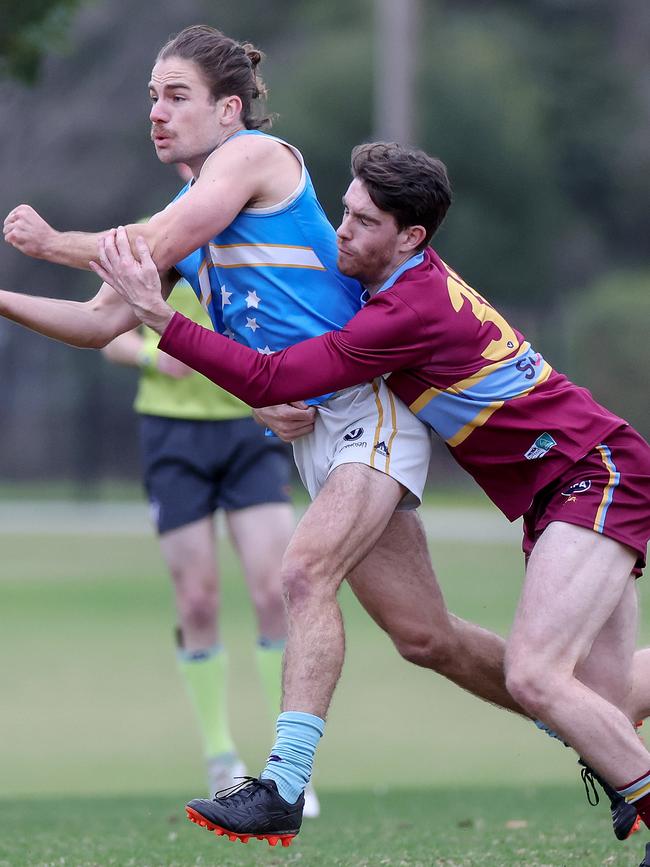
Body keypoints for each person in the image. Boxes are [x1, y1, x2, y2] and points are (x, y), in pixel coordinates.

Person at [2, 24, 530, 847]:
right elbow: (98, 320)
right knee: (429, 638)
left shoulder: (255, 159)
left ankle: (281, 786)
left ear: (230, 108)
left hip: (367, 408)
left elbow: (136, 251)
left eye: (175, 95)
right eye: (150, 96)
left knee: (301, 573)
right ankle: (581, 717)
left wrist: (44, 242)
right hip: (315, 436)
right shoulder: (186, 217)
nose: (157, 113)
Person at [89, 142, 650, 864]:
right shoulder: (400, 289)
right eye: (343, 212)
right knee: (603, 699)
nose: (340, 232)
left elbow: (274, 374)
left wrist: (159, 317)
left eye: (361, 221)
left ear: (410, 237)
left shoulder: (404, 311)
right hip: (568, 482)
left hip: (595, 473)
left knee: (537, 677)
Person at [99, 275, 319, 816]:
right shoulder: (157, 241)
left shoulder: (254, 242)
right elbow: (107, 334)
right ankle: (221, 757)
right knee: (197, 600)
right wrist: (152, 358)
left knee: (275, 591)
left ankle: (285, 770)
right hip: (172, 434)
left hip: (252, 428)